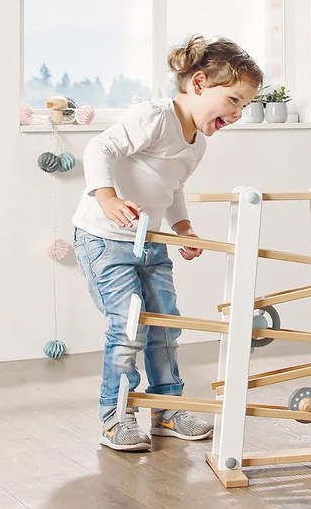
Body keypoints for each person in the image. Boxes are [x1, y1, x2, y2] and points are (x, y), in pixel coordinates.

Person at [72, 34, 263, 452]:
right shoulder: (154, 116)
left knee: (165, 323)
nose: (237, 113)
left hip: (151, 241)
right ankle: (116, 414)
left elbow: (173, 186)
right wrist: (105, 197)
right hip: (105, 238)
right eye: (233, 100)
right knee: (128, 325)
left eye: (244, 106)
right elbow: (99, 146)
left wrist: (182, 227)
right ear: (198, 84)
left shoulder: (198, 145)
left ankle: (166, 408)